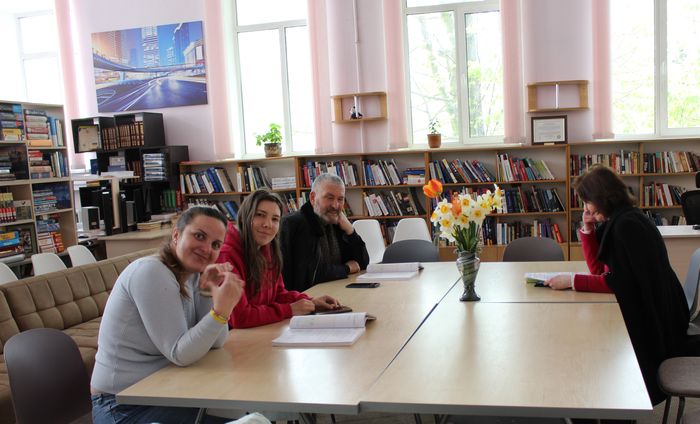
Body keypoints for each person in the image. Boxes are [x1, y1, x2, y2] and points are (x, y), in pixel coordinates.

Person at [544, 165, 692, 405]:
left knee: (594, 340)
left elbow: (618, 282)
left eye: (587, 202)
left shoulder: (626, 226)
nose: (586, 208)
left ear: (601, 197)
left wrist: (571, 280)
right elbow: (599, 270)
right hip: (658, 307)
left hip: (655, 319)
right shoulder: (621, 218)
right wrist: (588, 229)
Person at [91, 206, 244, 424]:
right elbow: (180, 353)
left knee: (239, 410)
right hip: (121, 407)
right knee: (238, 415)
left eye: (216, 244)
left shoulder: (192, 275)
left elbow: (215, 343)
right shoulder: (151, 271)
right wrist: (221, 311)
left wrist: (207, 291)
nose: (207, 249)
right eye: (199, 236)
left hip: (165, 393)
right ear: (176, 235)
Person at [217, 188, 341, 328]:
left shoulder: (267, 248)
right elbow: (239, 318)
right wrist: (289, 310)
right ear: (245, 216)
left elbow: (278, 294)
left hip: (261, 331)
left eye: (275, 219)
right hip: (235, 337)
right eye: (260, 215)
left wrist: (310, 301)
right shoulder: (227, 255)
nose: (267, 224)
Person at [280, 173, 369, 292]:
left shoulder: (336, 222)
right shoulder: (295, 224)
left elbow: (362, 263)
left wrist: (350, 231)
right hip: (307, 297)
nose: (335, 205)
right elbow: (309, 275)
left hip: (334, 291)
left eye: (340, 199)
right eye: (329, 198)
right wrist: (346, 269)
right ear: (313, 198)